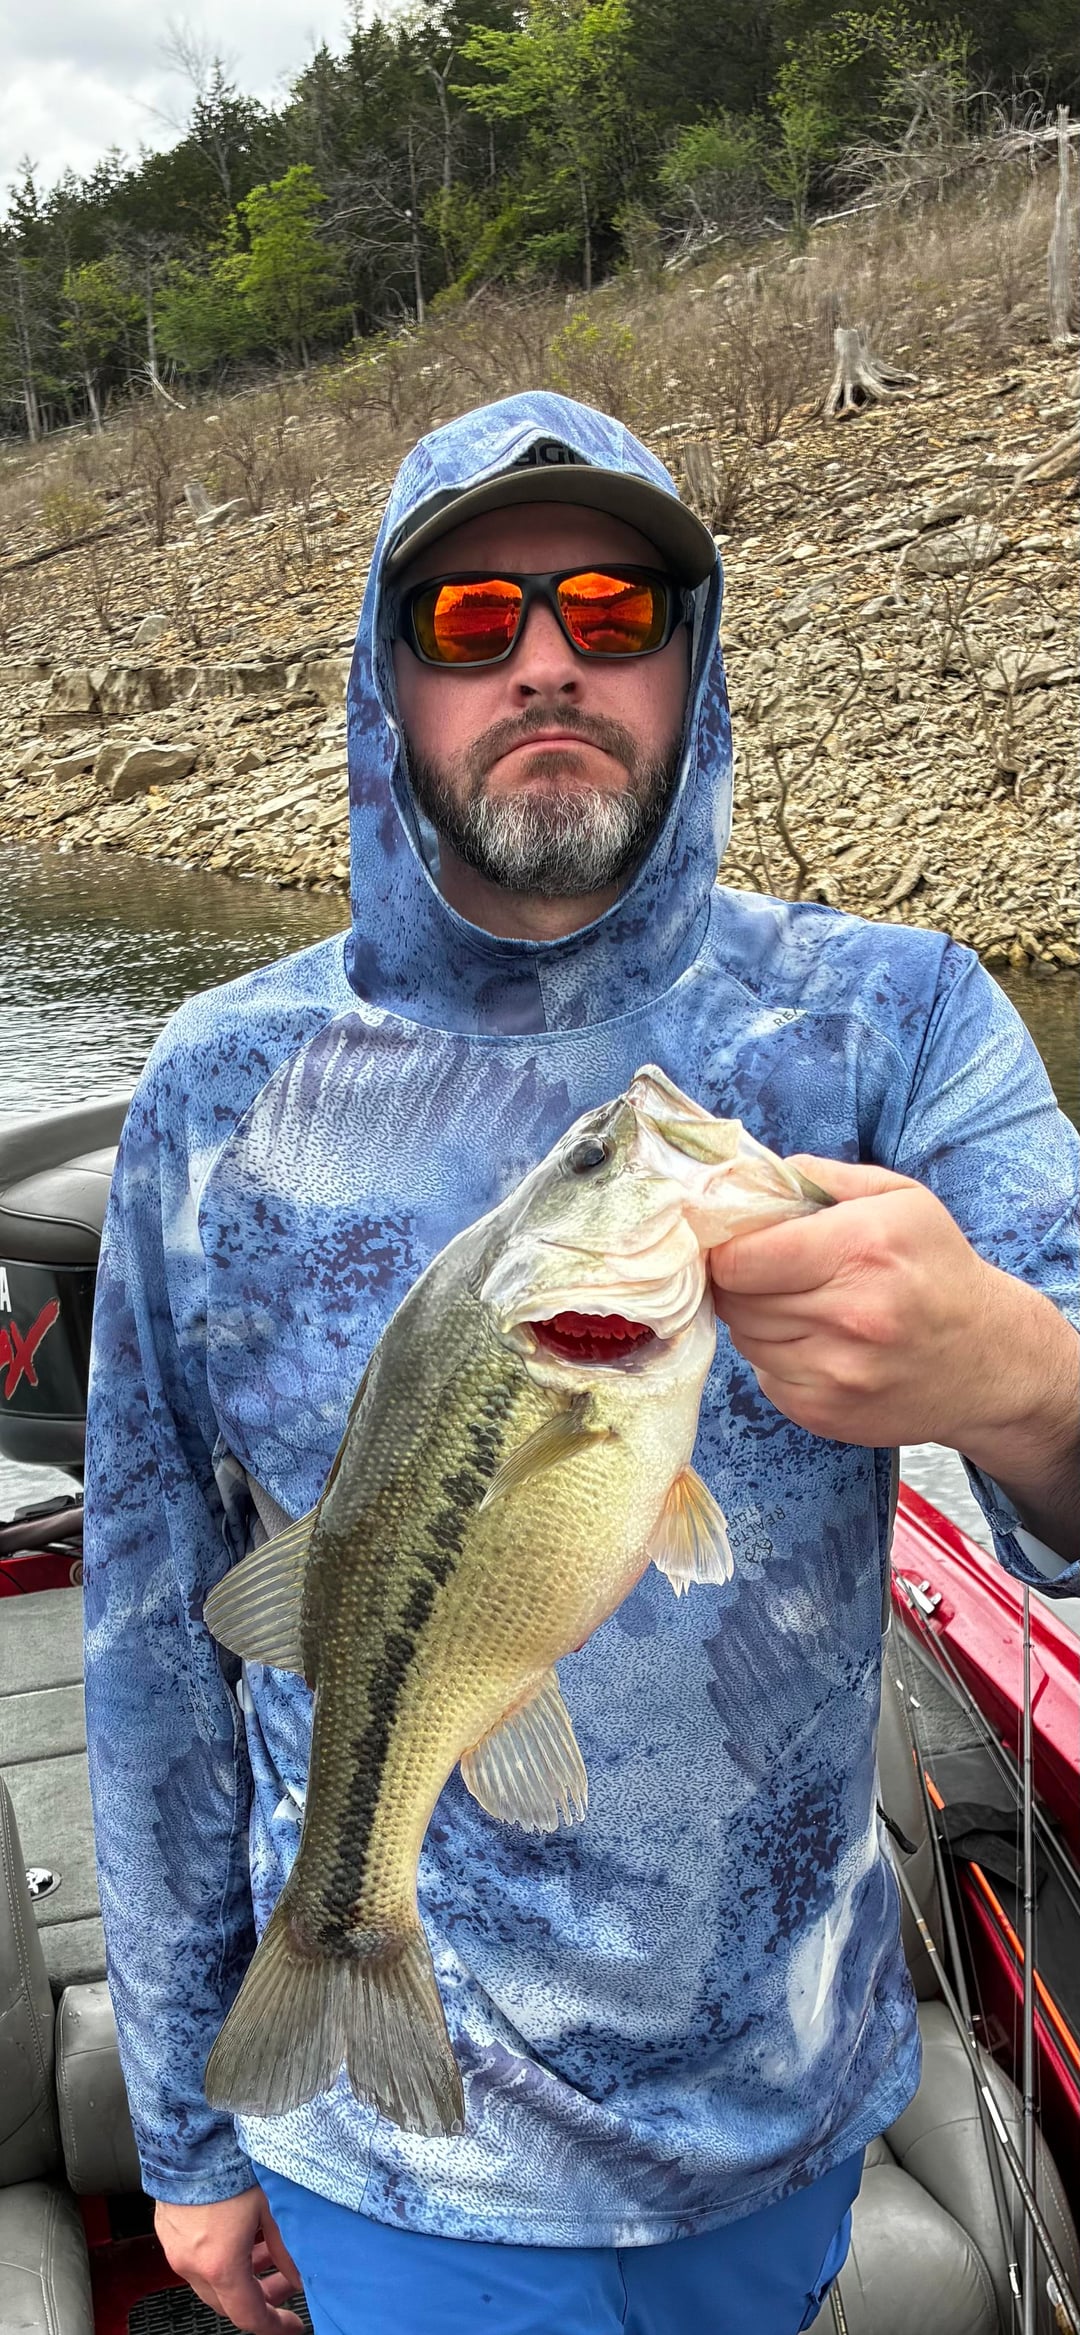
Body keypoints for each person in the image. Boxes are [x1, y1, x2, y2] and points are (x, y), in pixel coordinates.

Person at [82, 392, 1080, 2335]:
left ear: (694, 657)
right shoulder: (217, 1088)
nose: (547, 658)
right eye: (471, 618)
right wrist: (191, 2137)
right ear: (385, 682)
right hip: (395, 2153)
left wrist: (1020, 1373)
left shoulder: (898, 1019)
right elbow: (148, 1646)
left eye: (614, 607)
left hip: (779, 2113)